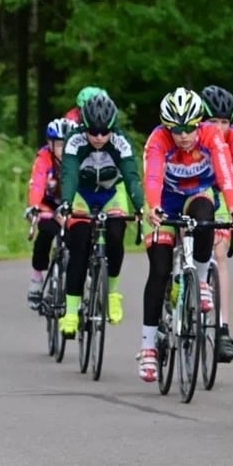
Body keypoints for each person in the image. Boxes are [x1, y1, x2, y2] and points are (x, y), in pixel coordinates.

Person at [136, 87, 233, 383]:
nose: (183, 135)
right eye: (176, 129)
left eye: (190, 128)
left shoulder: (211, 136)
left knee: (206, 217)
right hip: (164, 200)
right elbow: (153, 175)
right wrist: (154, 207)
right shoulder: (158, 140)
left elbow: (225, 175)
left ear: (200, 123)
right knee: (159, 270)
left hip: (197, 194)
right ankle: (148, 349)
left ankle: (203, 279)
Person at [56, 92, 145, 337]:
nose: (98, 137)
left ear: (112, 129)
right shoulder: (74, 141)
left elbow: (131, 176)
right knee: (80, 245)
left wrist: (139, 206)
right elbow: (70, 175)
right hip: (82, 194)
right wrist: (66, 203)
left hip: (110, 193)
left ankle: (113, 292)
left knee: (116, 235)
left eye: (104, 132)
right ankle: (72, 312)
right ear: (84, 126)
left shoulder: (120, 141)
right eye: (93, 131)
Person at [200, 84, 233, 364]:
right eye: (213, 121)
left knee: (219, 253)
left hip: (225, 193)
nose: (219, 128)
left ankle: (222, 329)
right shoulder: (195, 137)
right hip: (197, 191)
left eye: (224, 122)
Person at [25, 117, 76, 308]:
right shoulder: (44, 157)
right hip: (48, 206)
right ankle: (37, 279)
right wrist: (34, 206)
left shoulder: (78, 157)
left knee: (79, 239)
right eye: (59, 145)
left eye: (67, 145)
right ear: (50, 144)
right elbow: (37, 183)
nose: (63, 150)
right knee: (44, 236)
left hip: (71, 207)